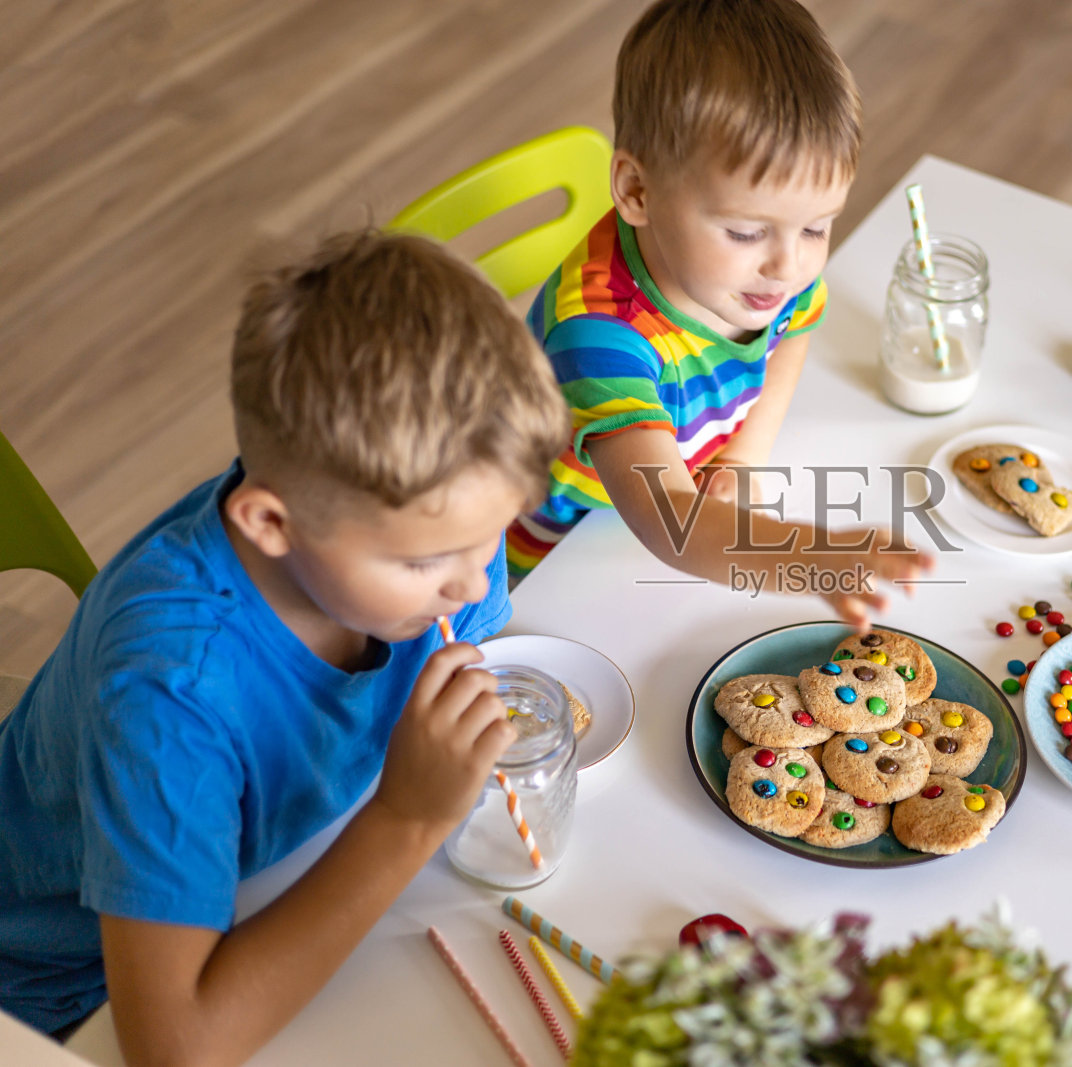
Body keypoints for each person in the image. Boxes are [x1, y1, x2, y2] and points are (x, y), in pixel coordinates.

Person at [0, 230, 568, 1065]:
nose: (474, 585)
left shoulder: (402, 538)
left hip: (267, 879)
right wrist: (406, 818)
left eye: (490, 536)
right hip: (56, 998)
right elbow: (174, 1044)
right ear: (269, 522)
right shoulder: (172, 693)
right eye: (423, 560)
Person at [509, 0, 932, 623]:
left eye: (817, 227)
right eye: (743, 232)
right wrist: (803, 556)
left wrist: (741, 457)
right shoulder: (600, 336)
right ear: (637, 191)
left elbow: (794, 331)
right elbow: (668, 517)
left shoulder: (768, 277)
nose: (787, 266)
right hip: (550, 553)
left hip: (659, 530)